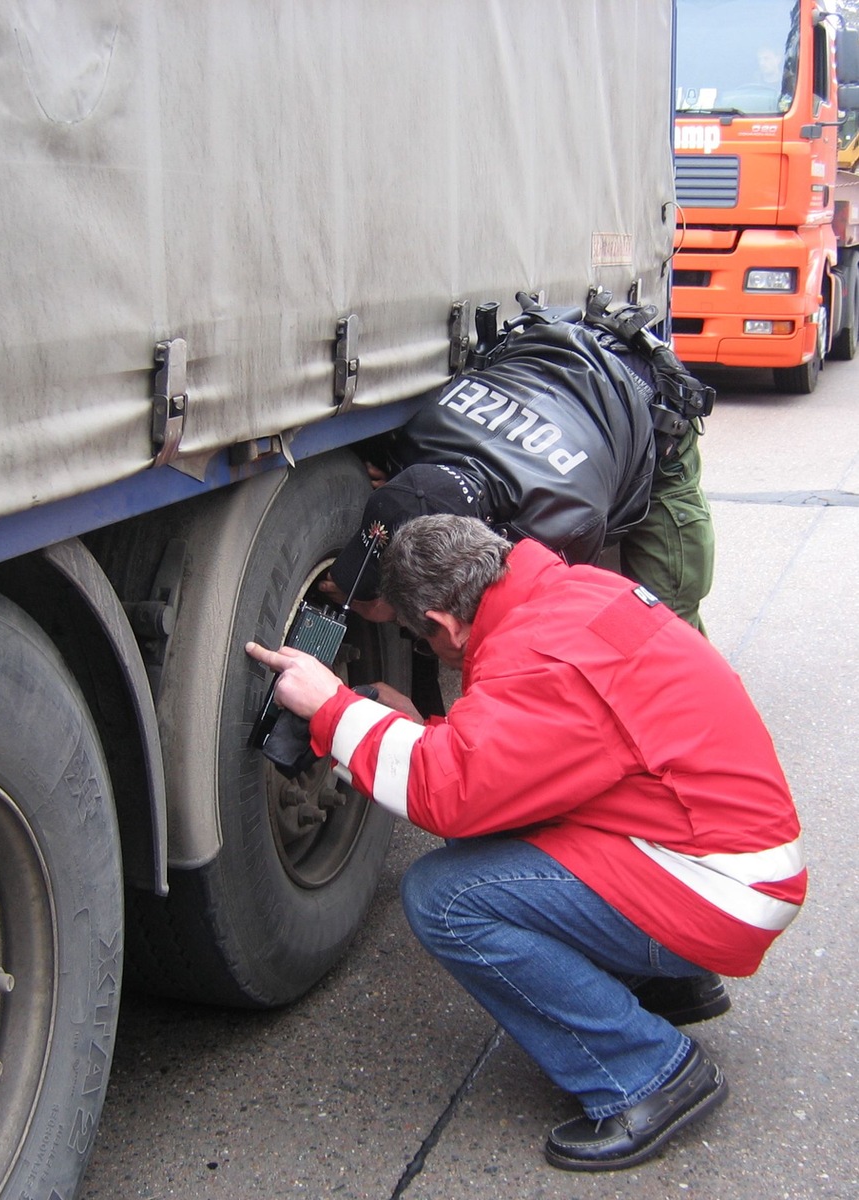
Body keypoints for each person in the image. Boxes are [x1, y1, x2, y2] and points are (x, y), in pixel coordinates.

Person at [246, 514, 804, 1172]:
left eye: (419, 637)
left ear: (444, 624)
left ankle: (646, 1074)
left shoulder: (537, 659)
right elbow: (524, 759)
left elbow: (449, 796)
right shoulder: (569, 595)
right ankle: (664, 985)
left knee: (447, 896)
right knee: (492, 844)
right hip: (710, 846)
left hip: (716, 887)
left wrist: (333, 710)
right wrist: (415, 723)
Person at [322, 292, 715, 633]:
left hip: (650, 413)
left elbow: (539, 626)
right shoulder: (420, 434)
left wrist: (395, 606)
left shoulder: (563, 520)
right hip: (565, 370)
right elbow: (413, 495)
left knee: (659, 625)